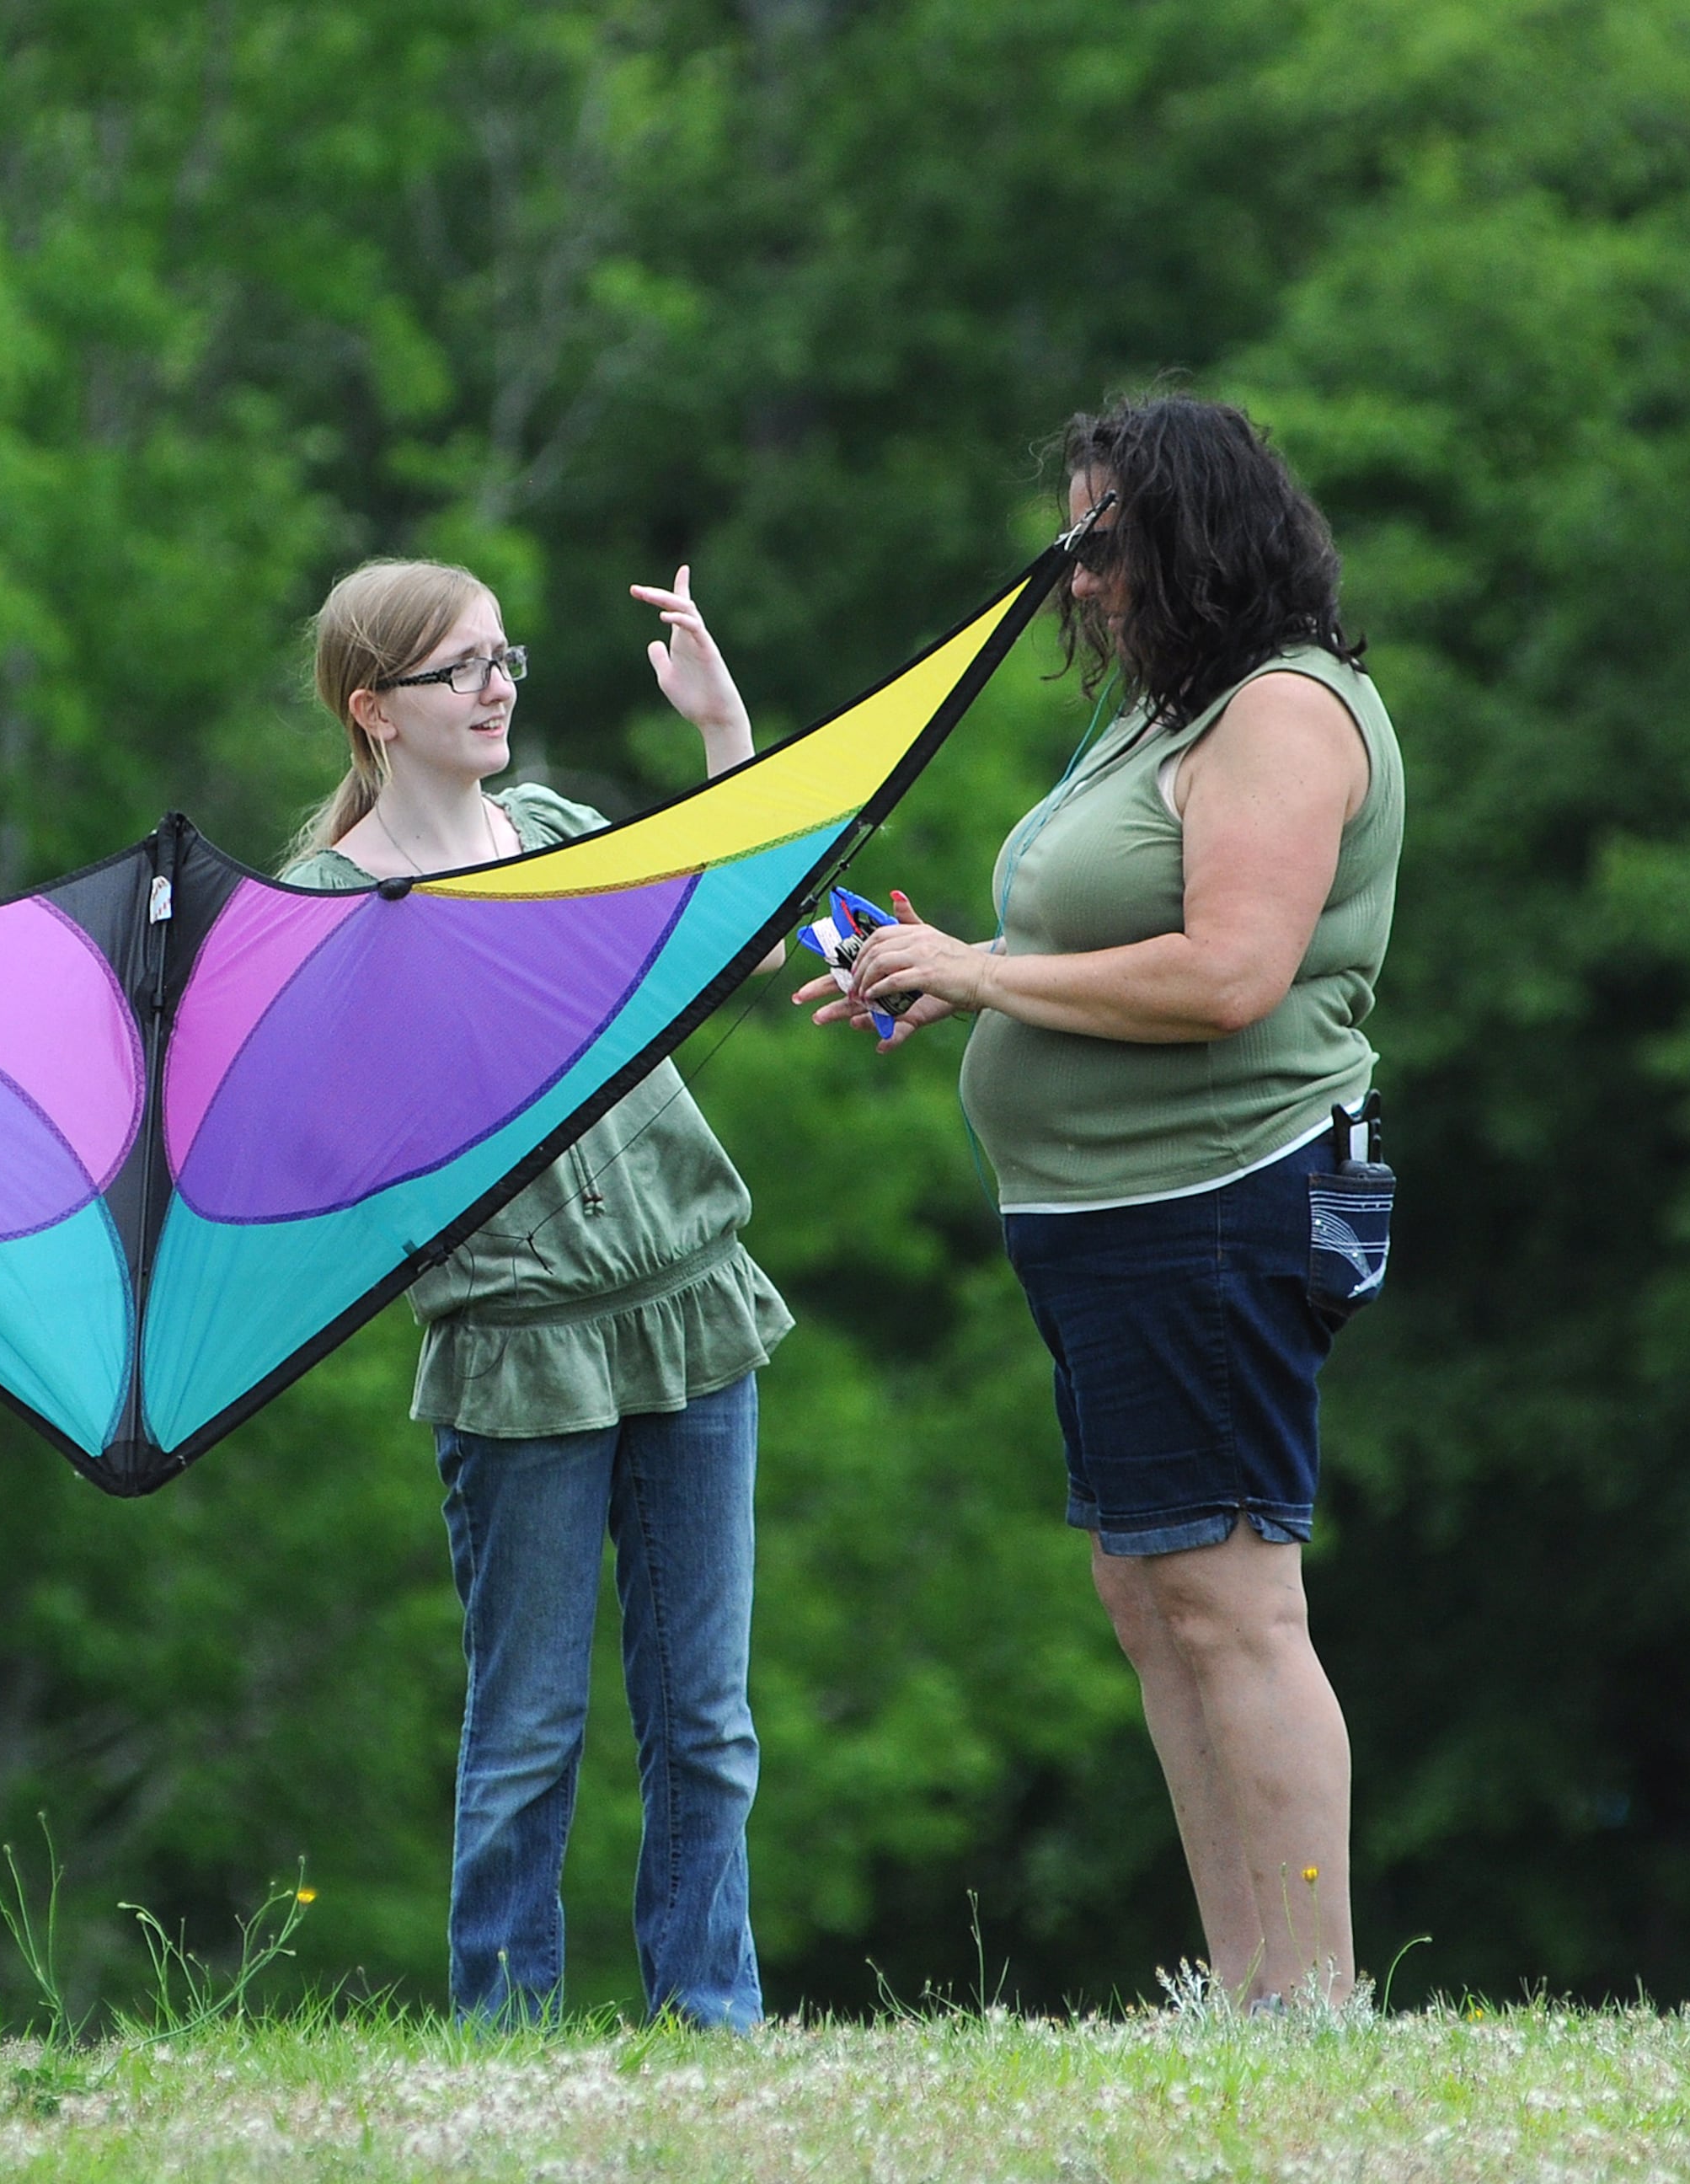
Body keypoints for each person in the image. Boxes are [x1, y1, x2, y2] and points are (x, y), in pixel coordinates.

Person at [798, 394, 1402, 2006]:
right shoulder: (1161, 714)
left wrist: (985, 970)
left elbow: (1229, 974)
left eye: (1103, 542)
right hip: (1112, 1220)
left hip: (1219, 1203)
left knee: (1230, 1598)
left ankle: (1315, 2006)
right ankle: (1250, 1988)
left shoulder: (1279, 713)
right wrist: (959, 981)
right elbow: (1098, 949)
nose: (1077, 577)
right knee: (1153, 1595)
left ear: (1197, 538)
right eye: (1071, 543)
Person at [280, 557, 792, 2030]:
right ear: (375, 711)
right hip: (516, 1350)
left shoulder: (562, 834)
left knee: (707, 1721)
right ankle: (502, 2039)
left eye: (507, 658)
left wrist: (721, 733)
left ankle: (714, 2016)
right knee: (529, 1729)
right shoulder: (317, 914)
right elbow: (301, 1147)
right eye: (462, 671)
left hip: (691, 1305)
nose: (499, 688)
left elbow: (732, 923)